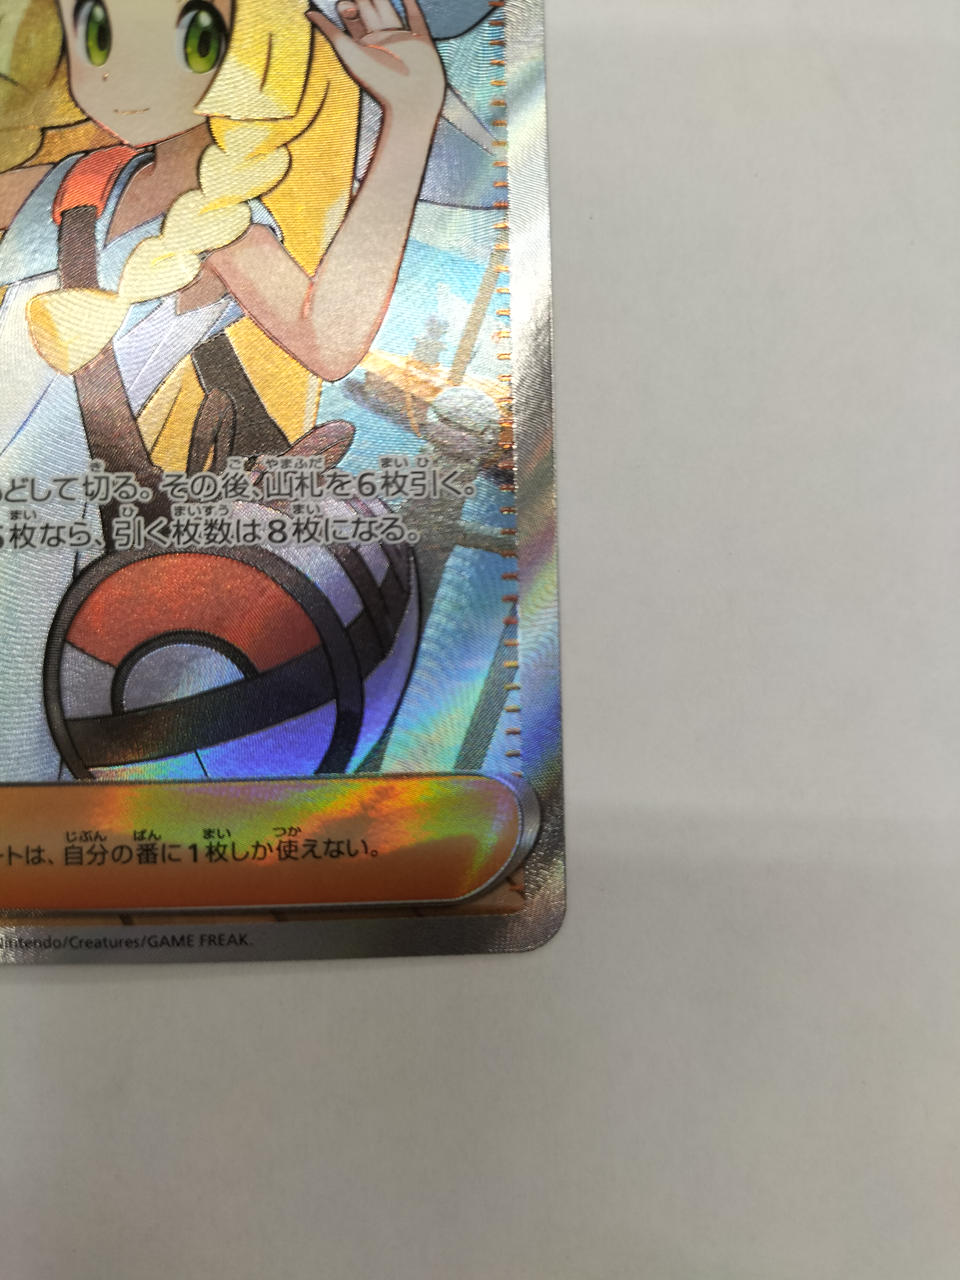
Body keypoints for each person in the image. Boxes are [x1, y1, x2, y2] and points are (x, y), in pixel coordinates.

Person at [0, 0, 444, 780]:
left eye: (190, 38)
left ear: (252, 49)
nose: (122, 74)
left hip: (33, 540)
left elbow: (333, 341)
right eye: (98, 33)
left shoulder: (224, 227)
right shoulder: (67, 181)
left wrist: (410, 119)